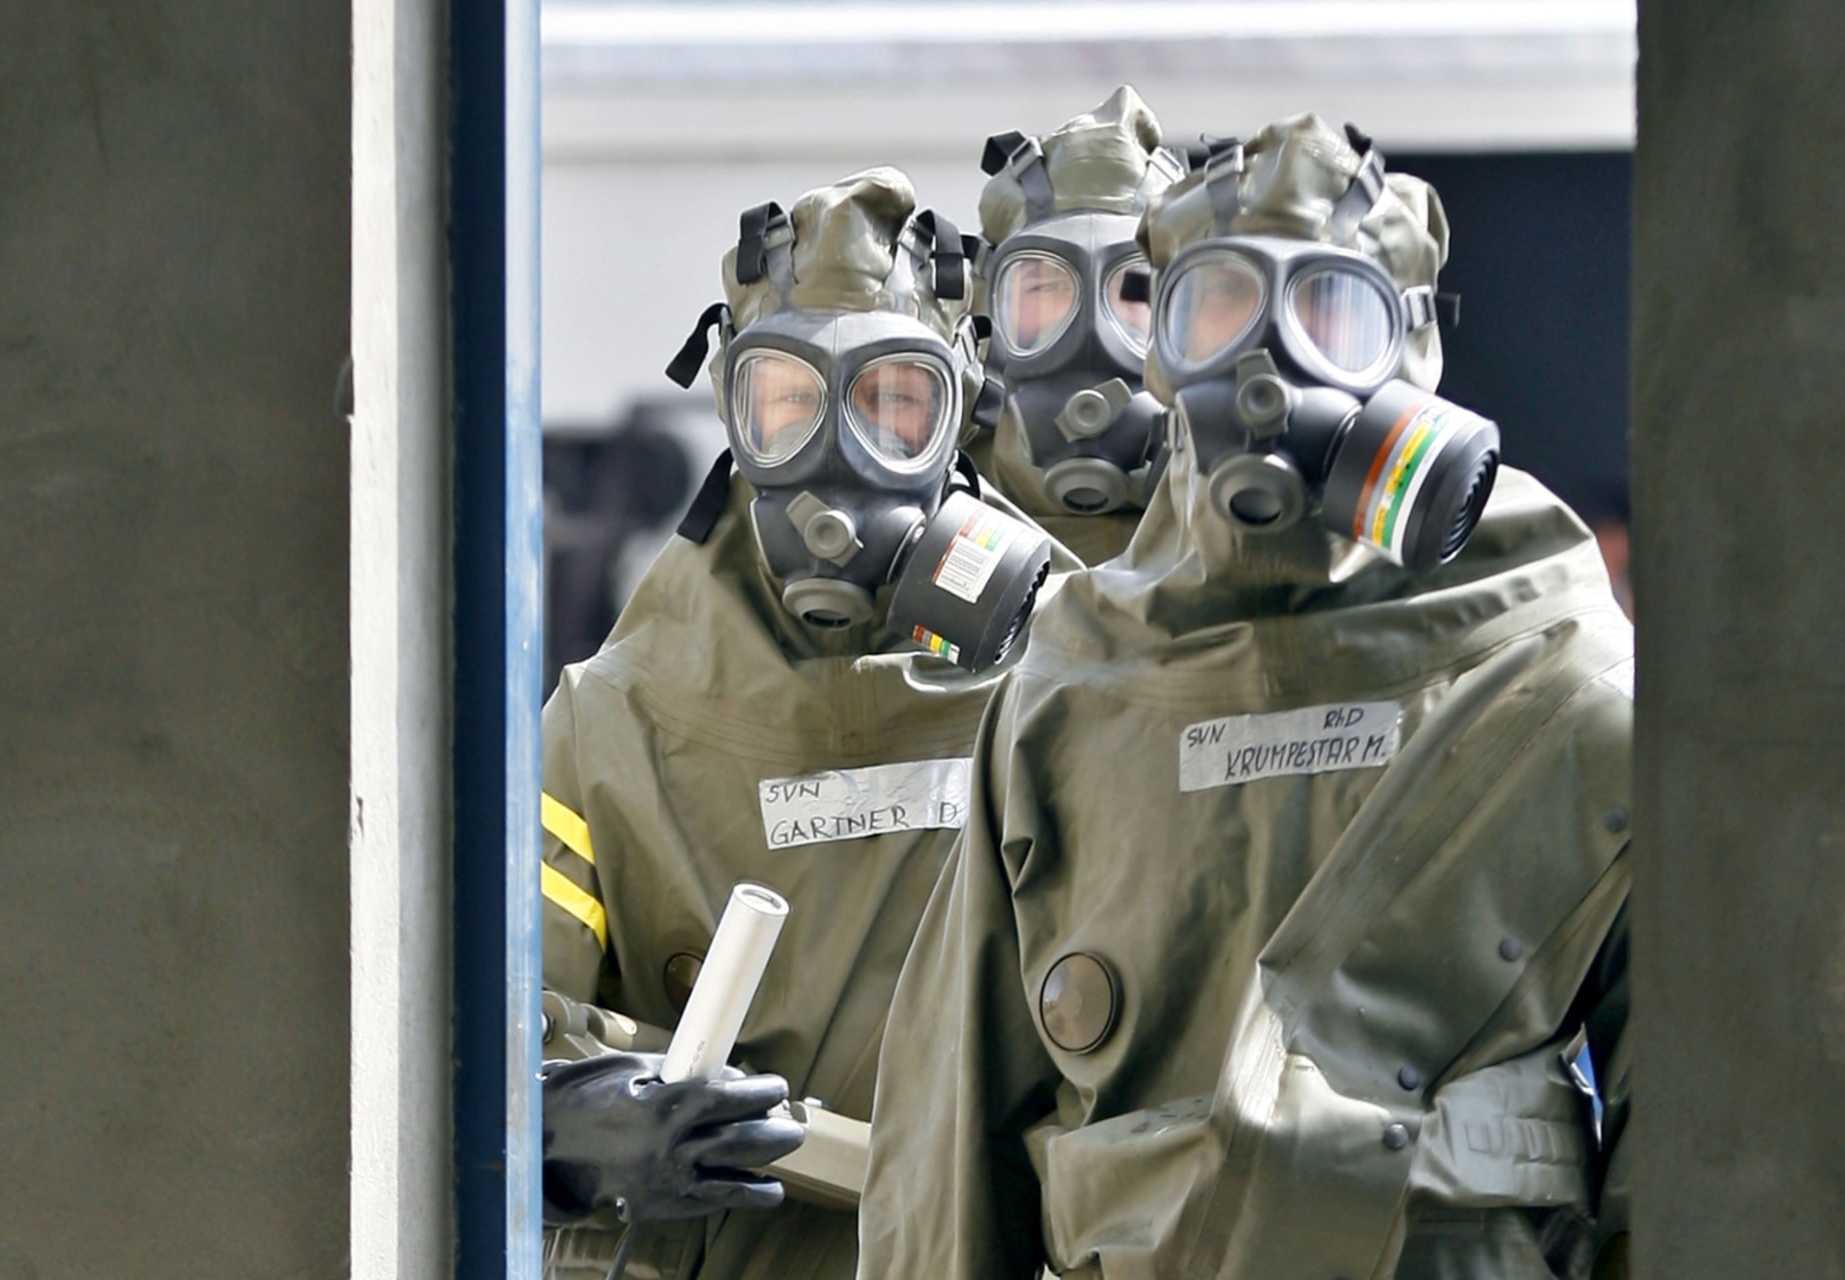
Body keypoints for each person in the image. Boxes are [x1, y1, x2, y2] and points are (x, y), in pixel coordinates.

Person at [858, 115, 1632, 1280]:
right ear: (1159, 349)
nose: (1266, 366)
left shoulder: (1559, 666)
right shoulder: (1070, 687)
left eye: (1330, 307)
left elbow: (1707, 1129)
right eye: (1215, 307)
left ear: (1411, 341)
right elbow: (950, 1145)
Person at [537, 167, 1072, 1280]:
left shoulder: (1067, 689)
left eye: (895, 401)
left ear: (959, 414)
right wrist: (579, 1122)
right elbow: (467, 1035)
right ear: (735, 415)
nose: (843, 451)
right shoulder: (612, 725)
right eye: (790, 402)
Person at [969, 86, 1187, 564]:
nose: (1092, 336)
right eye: (1045, 289)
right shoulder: (949, 490)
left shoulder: (1227, 508)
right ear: (989, 304)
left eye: (1133, 288)